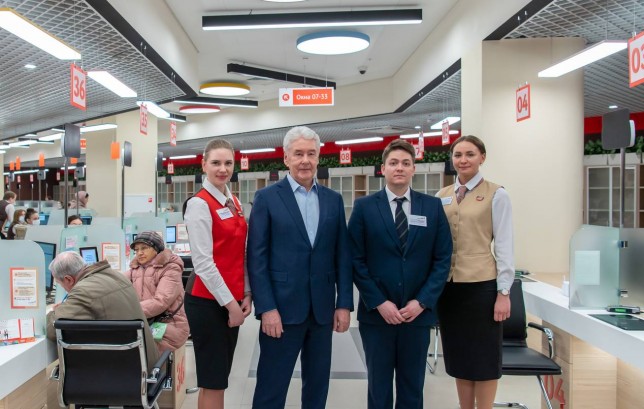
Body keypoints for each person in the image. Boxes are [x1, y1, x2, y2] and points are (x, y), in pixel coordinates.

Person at [247, 126, 354, 409]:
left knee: (317, 387)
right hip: (281, 311)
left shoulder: (333, 200)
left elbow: (342, 256)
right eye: (298, 154)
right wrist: (267, 308)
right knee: (271, 388)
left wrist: (344, 304)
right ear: (286, 158)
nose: (305, 160)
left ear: (318, 157)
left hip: (322, 312)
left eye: (311, 154)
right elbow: (256, 258)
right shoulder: (267, 198)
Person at [348, 139, 452, 409]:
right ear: (383, 168)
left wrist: (422, 301)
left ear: (413, 169)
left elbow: (442, 260)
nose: (399, 168)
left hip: (416, 315)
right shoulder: (364, 207)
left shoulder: (432, 207)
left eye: (406, 163)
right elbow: (356, 260)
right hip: (377, 316)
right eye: (393, 163)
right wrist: (379, 302)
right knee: (378, 387)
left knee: (412, 387)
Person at [436, 135, 515, 409]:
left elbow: (504, 246)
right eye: (458, 155)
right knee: (459, 356)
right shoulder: (442, 196)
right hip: (449, 288)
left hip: (482, 286)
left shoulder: (497, 194)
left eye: (470, 154)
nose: (463, 160)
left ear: (482, 157)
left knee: (483, 357)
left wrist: (504, 292)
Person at [183, 138, 251, 409]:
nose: (223, 169)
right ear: (204, 165)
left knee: (216, 380)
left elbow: (240, 252)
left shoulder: (233, 201)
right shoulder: (199, 204)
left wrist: (246, 292)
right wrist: (231, 305)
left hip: (230, 298)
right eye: (216, 163)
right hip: (208, 302)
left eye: (228, 163)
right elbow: (203, 264)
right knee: (214, 382)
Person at [45, 252, 159, 371]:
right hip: (145, 361)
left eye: (60, 284)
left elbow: (53, 328)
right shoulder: (115, 275)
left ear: (68, 279)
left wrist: (54, 311)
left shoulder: (84, 290)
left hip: (124, 369)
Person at [126, 231, 189, 352]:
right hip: (145, 322)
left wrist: (129, 311)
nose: (139, 253)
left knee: (138, 353)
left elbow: (161, 301)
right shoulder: (135, 269)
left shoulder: (171, 268)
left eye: (144, 248)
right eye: (136, 250)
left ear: (156, 249)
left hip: (169, 325)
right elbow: (117, 282)